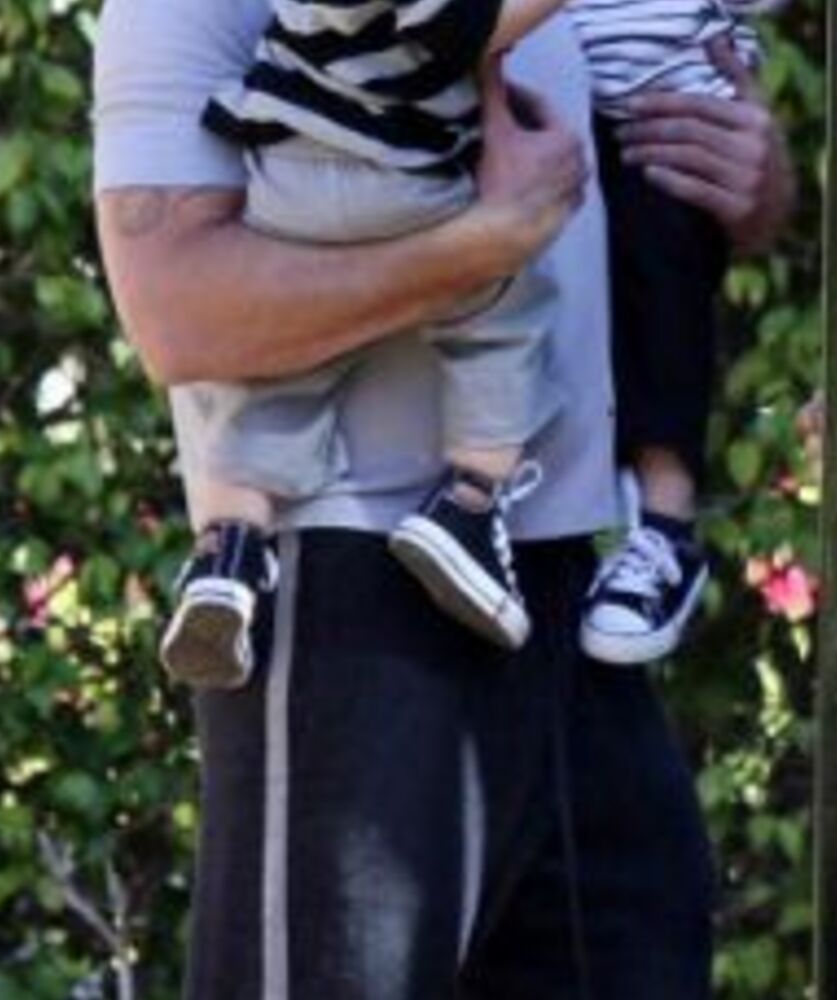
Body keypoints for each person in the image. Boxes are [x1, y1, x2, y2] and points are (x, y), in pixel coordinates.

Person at [92, 0, 793, 994]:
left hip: (563, 590)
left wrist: (749, 181)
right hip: (346, 588)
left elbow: (622, 193)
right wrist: (478, 247)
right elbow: (178, 314)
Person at [158, 0, 592, 691]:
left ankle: (228, 551)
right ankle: (470, 504)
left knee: (278, 372)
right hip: (398, 179)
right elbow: (473, 26)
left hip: (289, 177)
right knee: (504, 310)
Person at [569, 0, 766, 665]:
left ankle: (664, 526)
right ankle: (487, 486)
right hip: (561, 114)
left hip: (673, 122)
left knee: (663, 289)